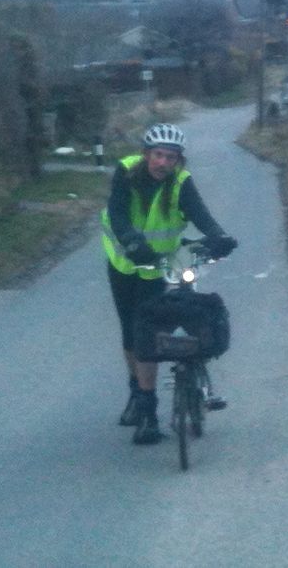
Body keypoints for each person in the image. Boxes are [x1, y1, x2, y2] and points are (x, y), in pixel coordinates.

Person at [100, 122, 237, 444]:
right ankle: (139, 396)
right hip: (124, 261)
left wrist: (219, 236)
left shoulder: (180, 183)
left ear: (178, 160)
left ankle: (149, 412)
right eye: (158, 155)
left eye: (171, 157)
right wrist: (133, 242)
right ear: (146, 154)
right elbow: (117, 214)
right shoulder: (126, 172)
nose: (163, 162)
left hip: (158, 266)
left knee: (149, 332)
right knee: (129, 333)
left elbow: (200, 215)